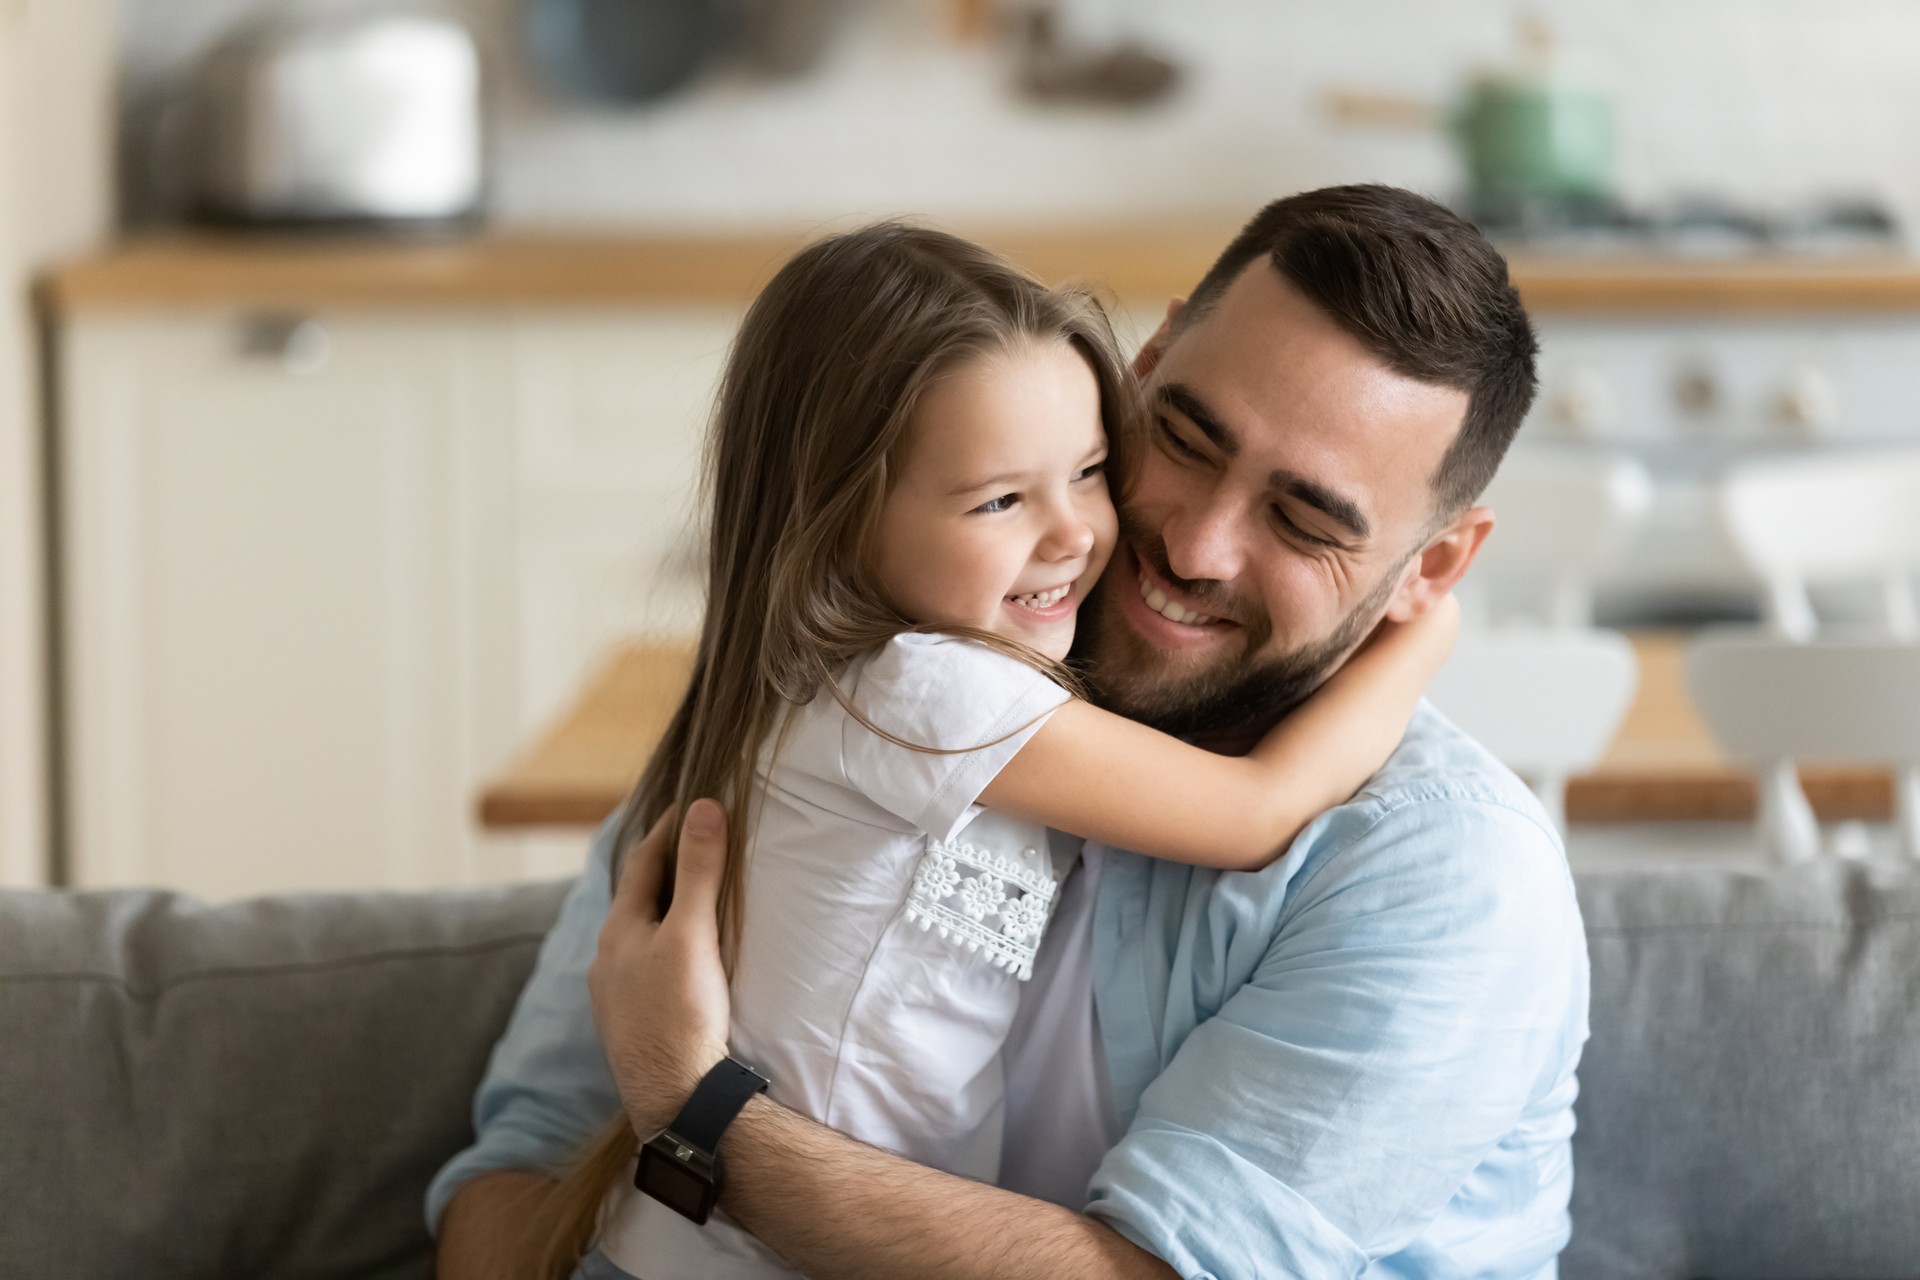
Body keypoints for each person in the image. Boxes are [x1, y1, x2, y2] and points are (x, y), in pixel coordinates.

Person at [431, 185, 1591, 1280]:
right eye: (1182, 438)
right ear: (1139, 367)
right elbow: (515, 1181)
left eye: (1300, 517)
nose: (1193, 547)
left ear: (1432, 567)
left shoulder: (1443, 872)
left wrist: (690, 1102)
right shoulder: (830, 702)